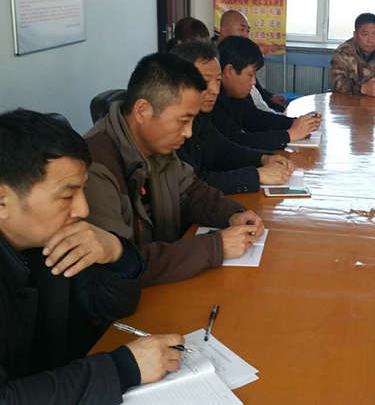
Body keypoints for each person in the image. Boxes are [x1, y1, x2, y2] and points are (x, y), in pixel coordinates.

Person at [0, 109, 183, 405]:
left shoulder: (48, 242)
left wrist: (117, 254)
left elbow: (113, 308)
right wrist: (123, 368)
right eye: (67, 195)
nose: (83, 210)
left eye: (83, 191)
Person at [84, 52, 265, 286]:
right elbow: (124, 263)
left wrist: (233, 214)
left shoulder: (157, 145)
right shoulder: (95, 168)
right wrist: (215, 246)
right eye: (182, 121)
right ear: (142, 111)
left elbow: (192, 191)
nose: (188, 133)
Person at [171, 40, 295, 193]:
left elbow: (224, 149)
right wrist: (255, 175)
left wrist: (263, 158)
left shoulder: (201, 115)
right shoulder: (170, 126)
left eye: (218, 80)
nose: (215, 90)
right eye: (205, 81)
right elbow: (192, 185)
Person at [212, 35, 322, 150]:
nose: (254, 82)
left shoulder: (234, 94)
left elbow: (256, 119)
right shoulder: (213, 101)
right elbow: (236, 142)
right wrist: (289, 135)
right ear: (229, 71)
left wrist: (296, 122)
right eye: (250, 74)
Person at [217, 9, 288, 113]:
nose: (246, 35)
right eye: (241, 30)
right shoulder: (214, 59)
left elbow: (255, 87)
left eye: (248, 31)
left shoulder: (242, 53)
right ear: (223, 30)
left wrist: (270, 97)